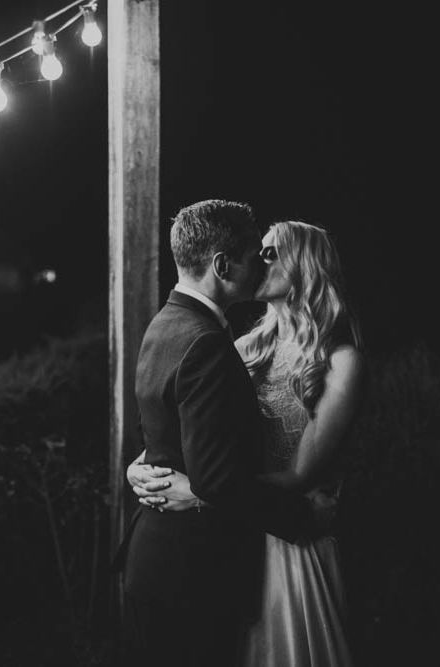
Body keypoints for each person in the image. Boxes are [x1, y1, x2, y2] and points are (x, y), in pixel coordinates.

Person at [128, 219, 363, 666]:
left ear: (306, 267)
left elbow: (300, 475)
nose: (259, 258)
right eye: (259, 251)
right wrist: (141, 466)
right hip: (235, 537)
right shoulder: (241, 347)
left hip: (291, 541)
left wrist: (197, 492)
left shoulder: (340, 361)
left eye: (271, 252)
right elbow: (197, 434)